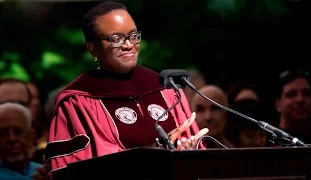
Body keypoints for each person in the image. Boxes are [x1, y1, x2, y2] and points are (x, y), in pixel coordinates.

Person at [46, 1, 208, 179]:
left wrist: (186, 151)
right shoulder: (76, 101)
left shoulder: (164, 88)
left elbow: (193, 155)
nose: (129, 45)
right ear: (93, 49)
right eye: (116, 39)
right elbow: (79, 169)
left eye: (133, 36)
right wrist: (156, 153)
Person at [0, 102, 45, 180]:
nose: (12, 139)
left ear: (31, 137)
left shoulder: (45, 173)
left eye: (18, 132)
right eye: (3, 133)